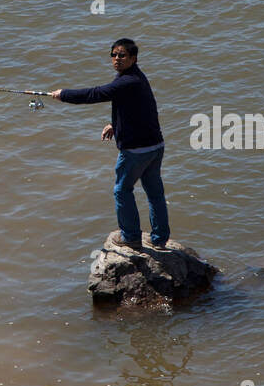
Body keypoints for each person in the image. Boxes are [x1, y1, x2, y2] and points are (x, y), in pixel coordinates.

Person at [47, 39, 171, 250]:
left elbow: (96, 94)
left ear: (134, 58)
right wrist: (116, 125)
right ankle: (159, 239)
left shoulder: (127, 81)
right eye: (113, 55)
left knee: (121, 191)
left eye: (122, 55)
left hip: (136, 151)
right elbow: (139, 108)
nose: (116, 59)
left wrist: (64, 94)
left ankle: (130, 236)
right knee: (155, 193)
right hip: (155, 146)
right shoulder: (135, 79)